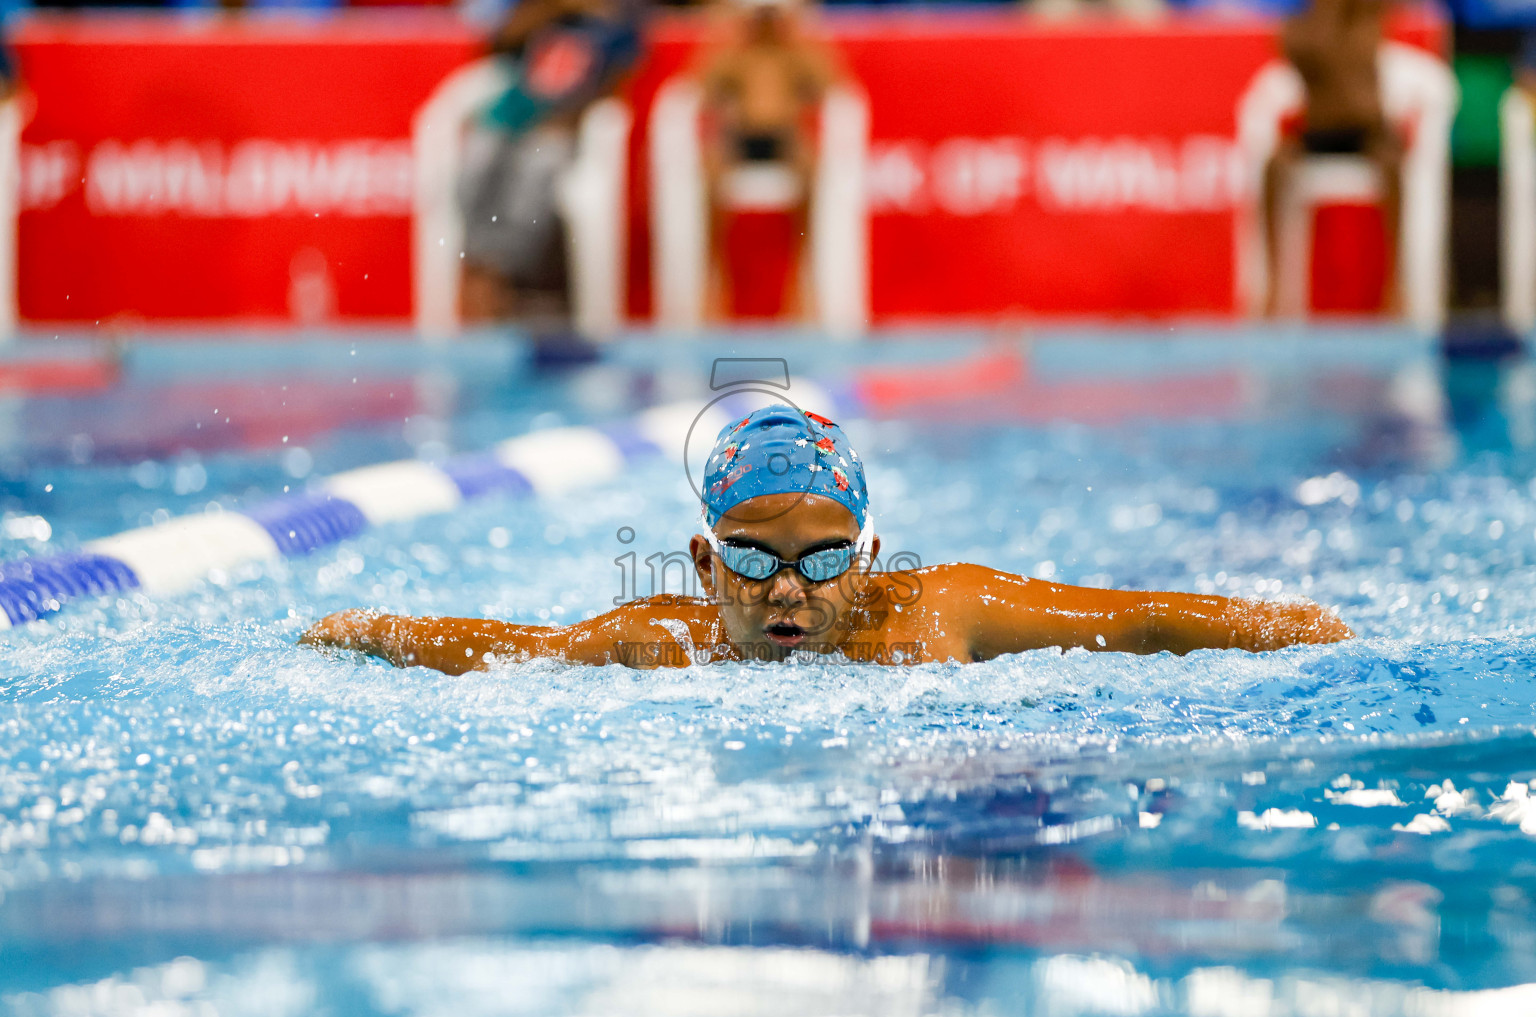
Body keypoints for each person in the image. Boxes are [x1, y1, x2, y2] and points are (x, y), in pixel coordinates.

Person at [302, 405, 1354, 673]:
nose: (788, 590)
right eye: (754, 559)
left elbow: (1139, 623)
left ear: (869, 552)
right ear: (708, 564)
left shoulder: (938, 612)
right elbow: (507, 648)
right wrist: (368, 629)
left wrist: (1302, 627)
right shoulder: (669, 643)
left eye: (824, 558)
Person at [458, 0, 643, 323]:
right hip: (510, 120)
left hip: (563, 127)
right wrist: (554, 8)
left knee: (536, 169)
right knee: (477, 160)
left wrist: (573, 115)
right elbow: (498, 45)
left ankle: (503, 274)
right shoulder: (544, 13)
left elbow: (619, 79)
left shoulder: (619, 24)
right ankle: (476, 264)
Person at [694, 0, 845, 320]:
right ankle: (713, 281)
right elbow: (705, 87)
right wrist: (728, 31)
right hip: (741, 138)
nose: (765, 23)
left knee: (810, 169)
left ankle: (803, 285)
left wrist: (802, 29)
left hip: (783, 138)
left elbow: (831, 83)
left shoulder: (794, 53)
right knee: (709, 173)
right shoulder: (736, 53)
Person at [1263, 0, 1402, 316]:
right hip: (1320, 133)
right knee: (1273, 165)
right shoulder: (1302, 30)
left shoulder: (1368, 16)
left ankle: (1396, 283)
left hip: (1367, 132)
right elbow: (1295, 49)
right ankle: (1273, 283)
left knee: (1393, 161)